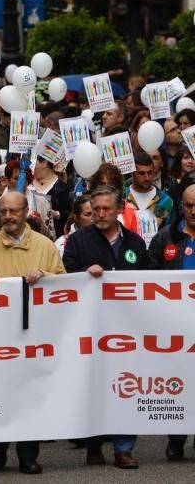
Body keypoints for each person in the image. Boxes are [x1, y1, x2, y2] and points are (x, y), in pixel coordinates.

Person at [0, 191, 66, 475]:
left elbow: (63, 284)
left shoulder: (45, 246)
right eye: (4, 212)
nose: (9, 217)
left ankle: (28, 454)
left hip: (35, 335)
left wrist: (45, 277)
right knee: (1, 392)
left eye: (14, 211)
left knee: (30, 395)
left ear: (26, 211)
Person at [60, 186, 144, 469]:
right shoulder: (78, 241)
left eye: (106, 209)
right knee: (93, 384)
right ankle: (94, 444)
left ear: (119, 209)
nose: (100, 214)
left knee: (126, 383)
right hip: (90, 328)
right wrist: (83, 276)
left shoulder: (135, 242)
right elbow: (65, 274)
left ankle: (123, 448)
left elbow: (148, 280)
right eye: (95, 210)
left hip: (126, 329)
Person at [147, 182, 195, 461]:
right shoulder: (166, 237)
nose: (192, 211)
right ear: (181, 207)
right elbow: (150, 274)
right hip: (174, 324)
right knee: (177, 380)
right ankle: (176, 438)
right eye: (188, 205)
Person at [125, 151, 174, 228]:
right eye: (141, 173)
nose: (147, 178)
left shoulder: (166, 201)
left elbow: (170, 233)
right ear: (132, 173)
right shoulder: (122, 197)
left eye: (150, 172)